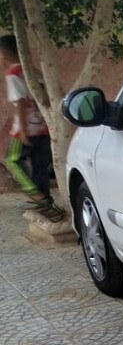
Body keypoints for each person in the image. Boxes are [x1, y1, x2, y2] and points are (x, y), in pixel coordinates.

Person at [0, 34, 57, 212]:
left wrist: (23, 130)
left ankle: (36, 195)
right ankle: (45, 204)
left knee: (12, 160)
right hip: (43, 128)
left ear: (3, 55)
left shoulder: (12, 74)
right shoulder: (33, 71)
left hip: (24, 129)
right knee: (40, 167)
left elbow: (20, 103)